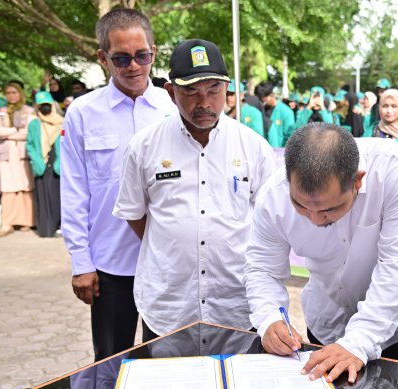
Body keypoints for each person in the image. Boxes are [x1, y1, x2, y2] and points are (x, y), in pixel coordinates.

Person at [245, 123, 398, 384]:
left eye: (329, 209)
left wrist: (359, 342)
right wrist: (269, 319)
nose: (315, 219)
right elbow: (262, 268)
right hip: (328, 318)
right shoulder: (272, 197)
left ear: (358, 180)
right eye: (300, 205)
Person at [113, 39, 275, 340]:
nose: (204, 102)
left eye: (214, 89)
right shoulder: (144, 147)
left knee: (235, 387)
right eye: (191, 91)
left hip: (237, 306)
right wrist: (174, 241)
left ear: (227, 90)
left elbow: (272, 223)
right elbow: (135, 214)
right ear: (171, 93)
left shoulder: (254, 147)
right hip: (169, 307)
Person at [60, 8, 177, 361]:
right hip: (111, 266)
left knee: (168, 362)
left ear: (153, 52)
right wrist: (81, 263)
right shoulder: (82, 112)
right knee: (111, 363)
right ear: (102, 58)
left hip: (167, 262)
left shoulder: (173, 108)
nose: (133, 66)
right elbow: (74, 190)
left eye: (142, 56)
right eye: (121, 58)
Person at [0, 82, 36, 237]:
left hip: (22, 154)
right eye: (8, 93)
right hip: (7, 154)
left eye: (14, 92)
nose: (11, 95)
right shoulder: (0, 111)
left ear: (20, 93)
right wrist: (14, 131)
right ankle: (7, 223)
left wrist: (6, 134)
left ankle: (27, 221)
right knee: (8, 187)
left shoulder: (29, 111)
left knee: (25, 186)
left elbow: (29, 132)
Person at [26, 91, 63, 237]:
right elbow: (29, 144)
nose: (45, 108)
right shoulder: (34, 124)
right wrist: (36, 160)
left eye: (47, 105)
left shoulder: (63, 122)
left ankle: (60, 226)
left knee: (58, 194)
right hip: (41, 163)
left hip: (58, 163)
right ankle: (46, 229)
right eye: (41, 106)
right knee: (43, 193)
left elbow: (68, 143)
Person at [256, 81, 295, 148]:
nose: (263, 100)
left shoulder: (286, 112)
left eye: (265, 97)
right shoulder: (262, 110)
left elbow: (289, 136)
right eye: (261, 98)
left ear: (272, 94)